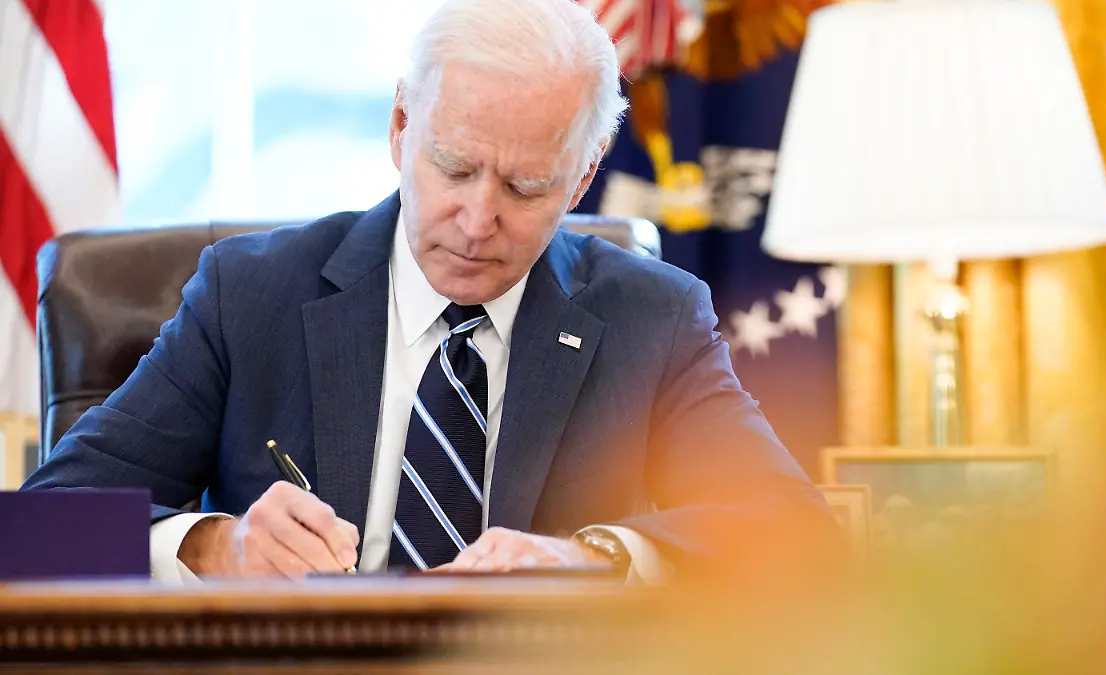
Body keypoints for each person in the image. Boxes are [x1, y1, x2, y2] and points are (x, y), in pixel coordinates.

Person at [23, 0, 834, 582]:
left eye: (525, 186)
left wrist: (592, 557)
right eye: (454, 167)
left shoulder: (652, 318)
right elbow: (39, 527)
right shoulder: (249, 294)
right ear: (401, 129)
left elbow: (795, 535)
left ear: (582, 177)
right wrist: (212, 545)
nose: (478, 219)